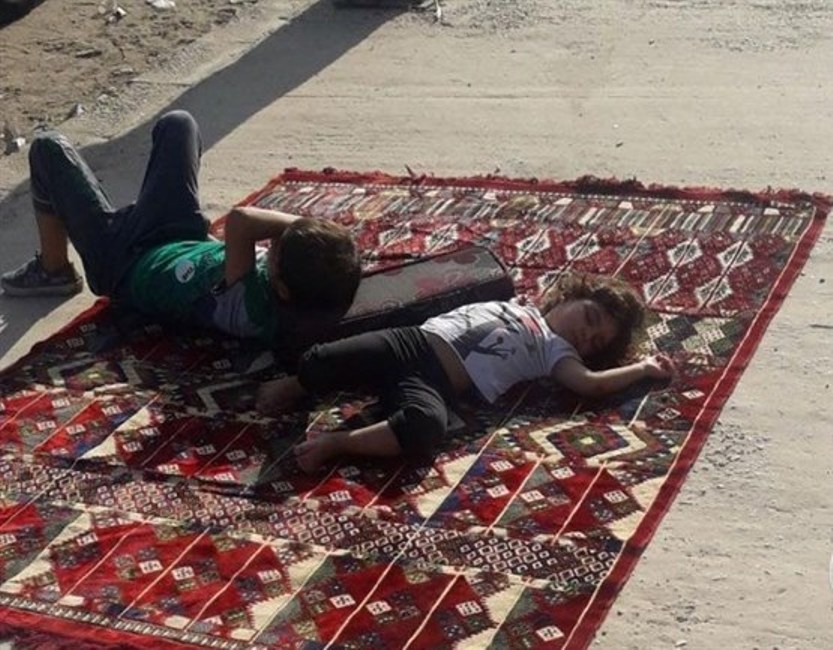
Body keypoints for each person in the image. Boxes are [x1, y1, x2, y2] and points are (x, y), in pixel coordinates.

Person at [0, 110, 361, 348]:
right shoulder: (309, 290)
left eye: (278, 249)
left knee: (48, 148)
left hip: (123, 263)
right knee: (179, 124)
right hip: (179, 236)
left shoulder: (251, 307)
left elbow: (241, 221)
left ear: (281, 288)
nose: (275, 242)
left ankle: (54, 269)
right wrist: (313, 239)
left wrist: (301, 225)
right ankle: (76, 253)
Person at [255, 273, 675, 473]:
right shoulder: (519, 305)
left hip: (434, 380)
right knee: (321, 358)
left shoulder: (556, 351)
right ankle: (293, 385)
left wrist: (642, 368)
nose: (586, 334)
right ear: (571, 295)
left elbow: (589, 384)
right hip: (411, 341)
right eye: (590, 318)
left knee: (424, 427)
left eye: (596, 343)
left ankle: (338, 443)